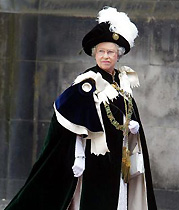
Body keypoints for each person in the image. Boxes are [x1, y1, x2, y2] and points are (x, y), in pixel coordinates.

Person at [5, 6, 157, 210]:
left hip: (119, 158)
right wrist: (78, 156)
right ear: (95, 54)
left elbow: (124, 112)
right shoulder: (87, 82)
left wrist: (132, 127)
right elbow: (70, 121)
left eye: (110, 52)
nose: (105, 56)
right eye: (101, 51)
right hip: (95, 159)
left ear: (118, 55)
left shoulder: (122, 81)